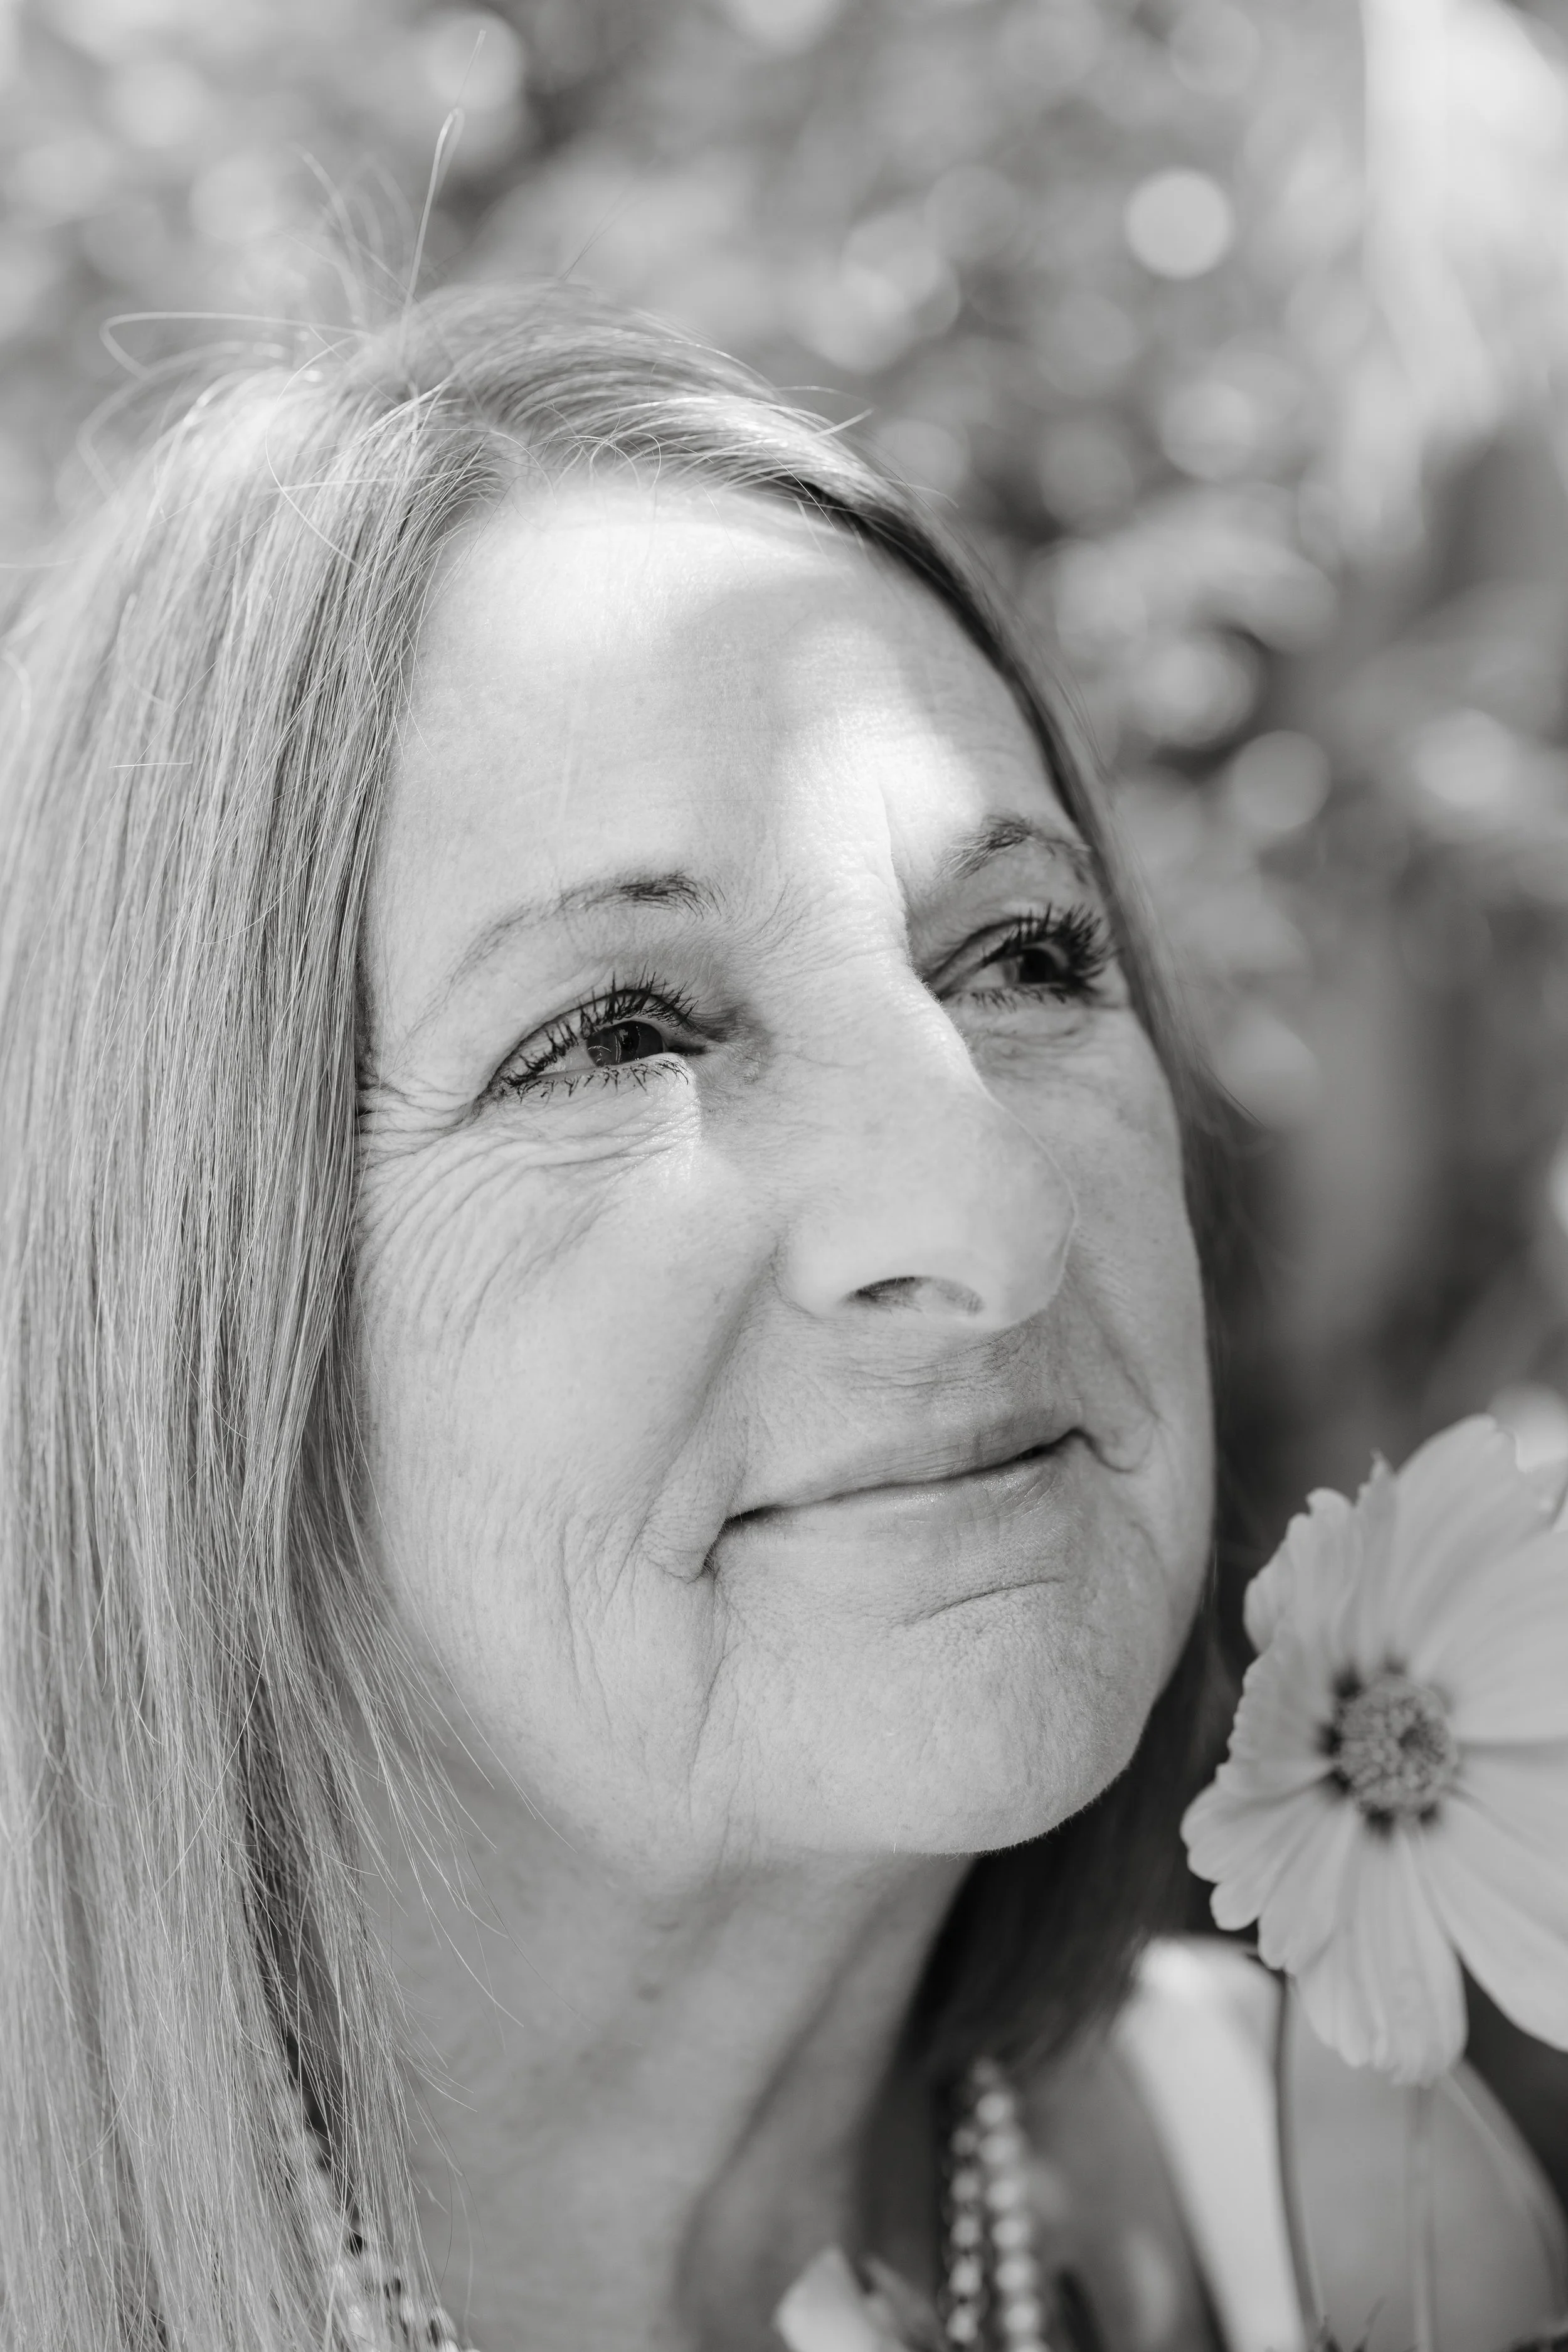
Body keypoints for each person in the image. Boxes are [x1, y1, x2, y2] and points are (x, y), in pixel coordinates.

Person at [0, 280, 1557, 2352]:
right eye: (618, 1033)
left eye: (1020, 954)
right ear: (188, 1321)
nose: (984, 1219)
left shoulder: (1351, 2216)